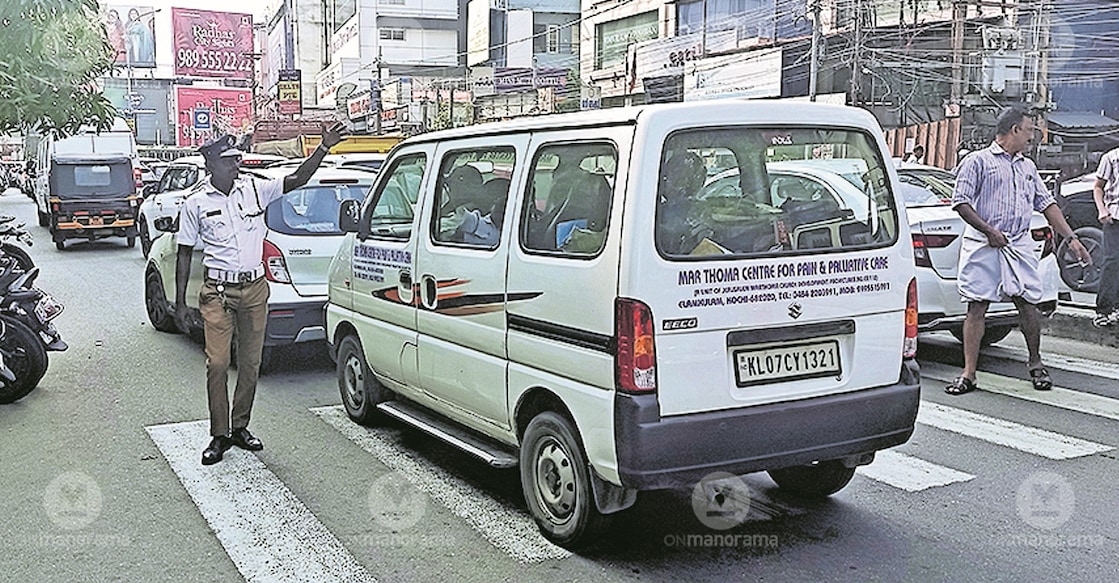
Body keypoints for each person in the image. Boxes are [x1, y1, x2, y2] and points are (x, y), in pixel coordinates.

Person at [175, 122, 345, 465]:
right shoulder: (195, 204)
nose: (235, 165)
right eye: (227, 161)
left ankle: (240, 427)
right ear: (211, 165)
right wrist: (179, 303)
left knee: (251, 364)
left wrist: (323, 148)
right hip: (218, 291)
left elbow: (296, 180)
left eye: (237, 159)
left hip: (254, 288)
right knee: (218, 364)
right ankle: (218, 434)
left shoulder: (255, 189)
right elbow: (182, 252)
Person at [945, 108, 1091, 395]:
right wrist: (989, 230)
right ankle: (969, 372)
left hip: (1018, 243)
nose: (1031, 137)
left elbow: (1047, 204)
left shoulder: (1027, 167)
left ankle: (1035, 363)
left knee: (1028, 304)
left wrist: (1071, 238)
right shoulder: (978, 162)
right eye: (1029, 131)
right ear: (1013, 130)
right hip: (984, 243)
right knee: (977, 306)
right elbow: (961, 202)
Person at [1092, 145, 1119, 327]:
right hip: (1115, 217)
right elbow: (1098, 187)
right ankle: (1103, 310)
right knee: (1112, 261)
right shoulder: (1111, 157)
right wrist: (1102, 209)